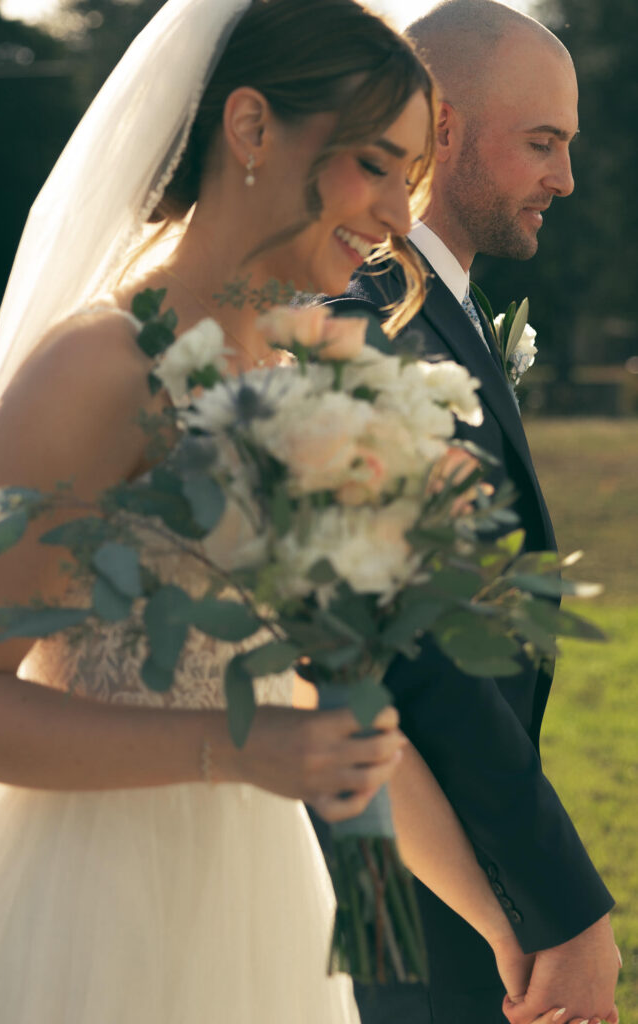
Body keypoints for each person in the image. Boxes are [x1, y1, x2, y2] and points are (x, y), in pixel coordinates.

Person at [0, 1, 582, 1022]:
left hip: (266, 914)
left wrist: (510, 928)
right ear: (250, 129)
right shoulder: (98, 368)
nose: (395, 211)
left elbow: (337, 713)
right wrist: (230, 748)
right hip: (90, 911)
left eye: (411, 173)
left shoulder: (305, 375)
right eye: (372, 164)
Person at [327, 3, 620, 1024]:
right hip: (400, 898)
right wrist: (558, 909)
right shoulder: (374, 337)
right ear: (439, 130)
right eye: (542, 142)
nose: (566, 179)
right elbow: (422, 663)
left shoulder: (434, 318)